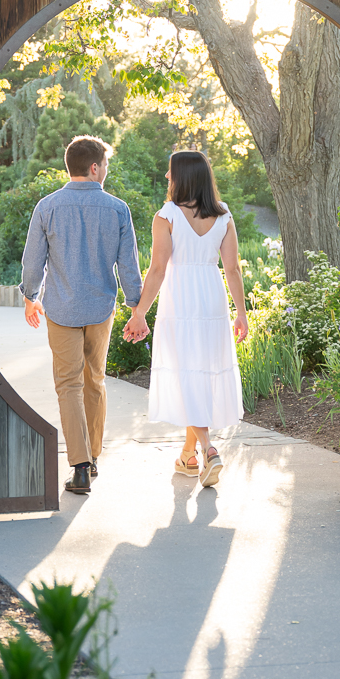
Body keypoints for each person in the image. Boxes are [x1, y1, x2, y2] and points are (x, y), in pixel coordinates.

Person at [20, 135, 142, 496]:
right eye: (105, 164)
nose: (106, 170)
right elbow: (128, 265)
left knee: (68, 385)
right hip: (101, 309)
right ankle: (94, 457)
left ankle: (80, 467)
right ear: (94, 167)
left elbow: (33, 262)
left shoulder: (47, 207)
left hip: (61, 309)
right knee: (95, 381)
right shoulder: (117, 209)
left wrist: (30, 298)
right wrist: (136, 308)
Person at [123, 150, 247, 486]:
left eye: (170, 171)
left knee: (185, 374)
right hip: (212, 297)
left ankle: (208, 449)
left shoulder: (166, 216)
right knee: (199, 374)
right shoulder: (223, 215)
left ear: (183, 176)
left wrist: (140, 313)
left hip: (180, 299)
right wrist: (241, 313)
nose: (167, 176)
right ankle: (188, 456)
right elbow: (232, 269)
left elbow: (158, 269)